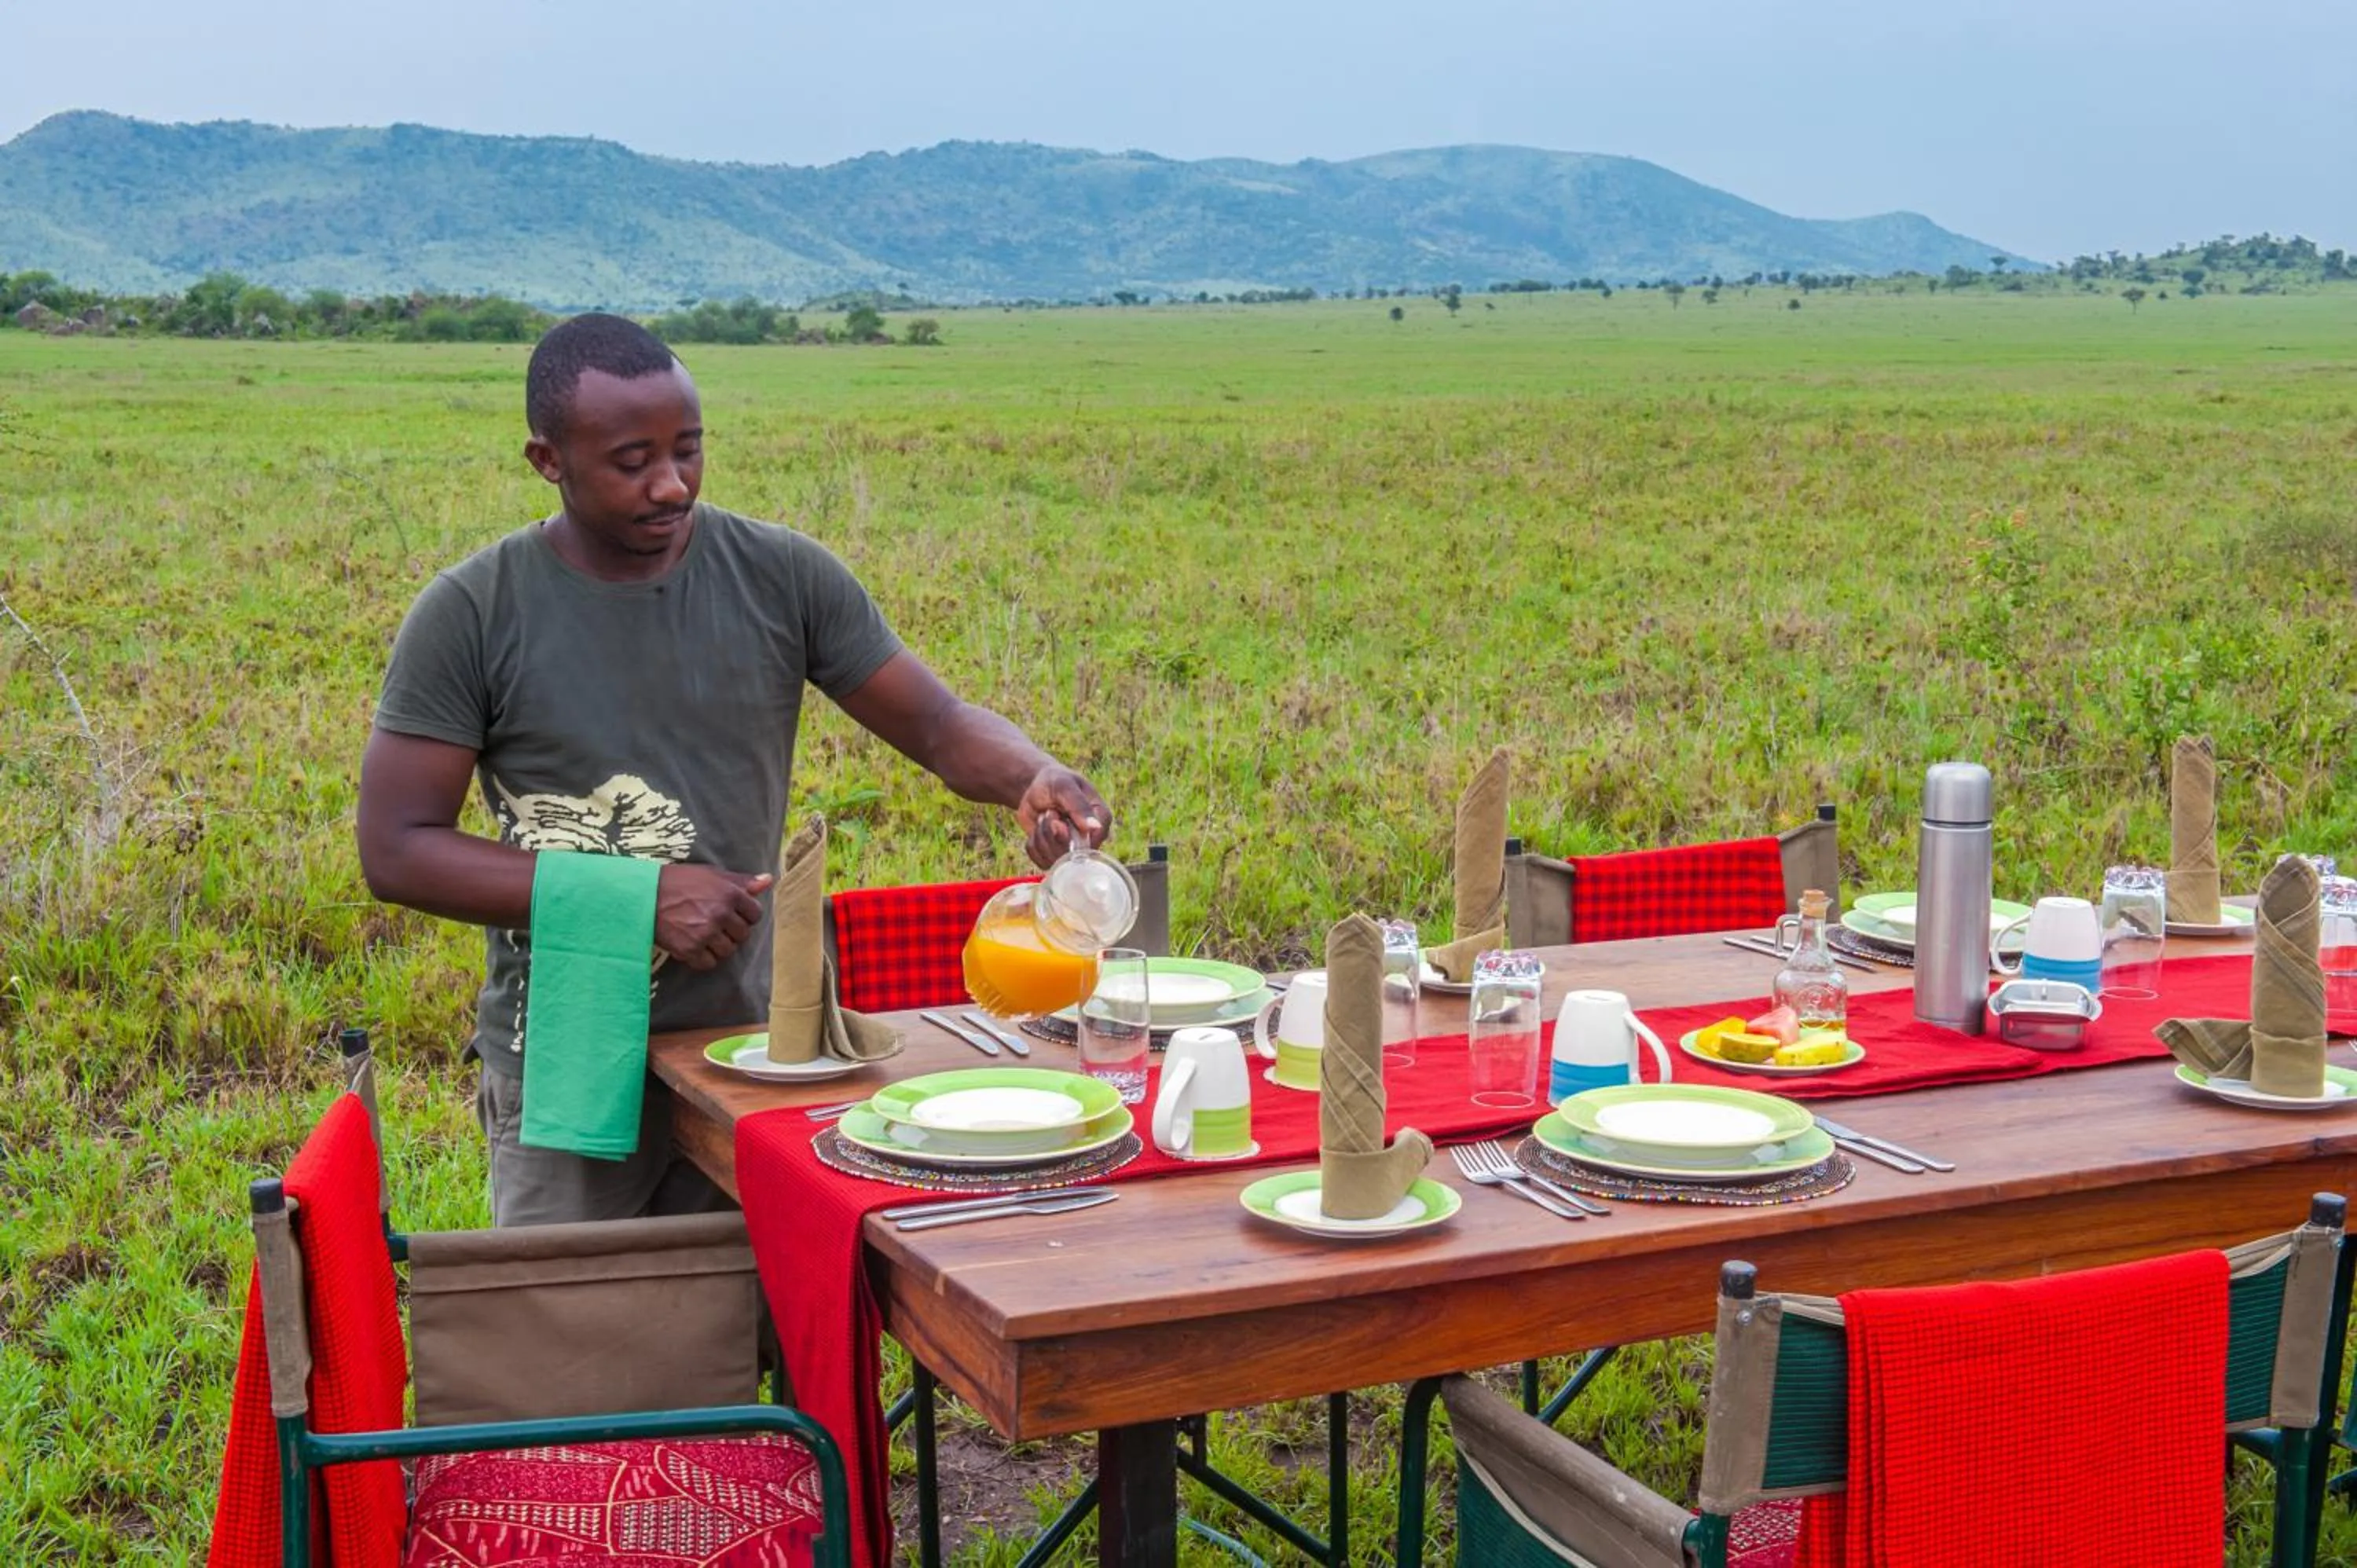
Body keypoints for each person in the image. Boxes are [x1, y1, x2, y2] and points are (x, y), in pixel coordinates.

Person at [356, 313, 1111, 1226]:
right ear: (547, 460)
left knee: (768, 1325)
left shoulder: (779, 575)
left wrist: (1029, 772)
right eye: (632, 462)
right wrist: (641, 898)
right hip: (571, 1049)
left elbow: (941, 724)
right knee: (576, 1348)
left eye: (689, 449)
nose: (670, 484)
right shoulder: (475, 611)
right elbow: (397, 849)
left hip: (755, 1045)